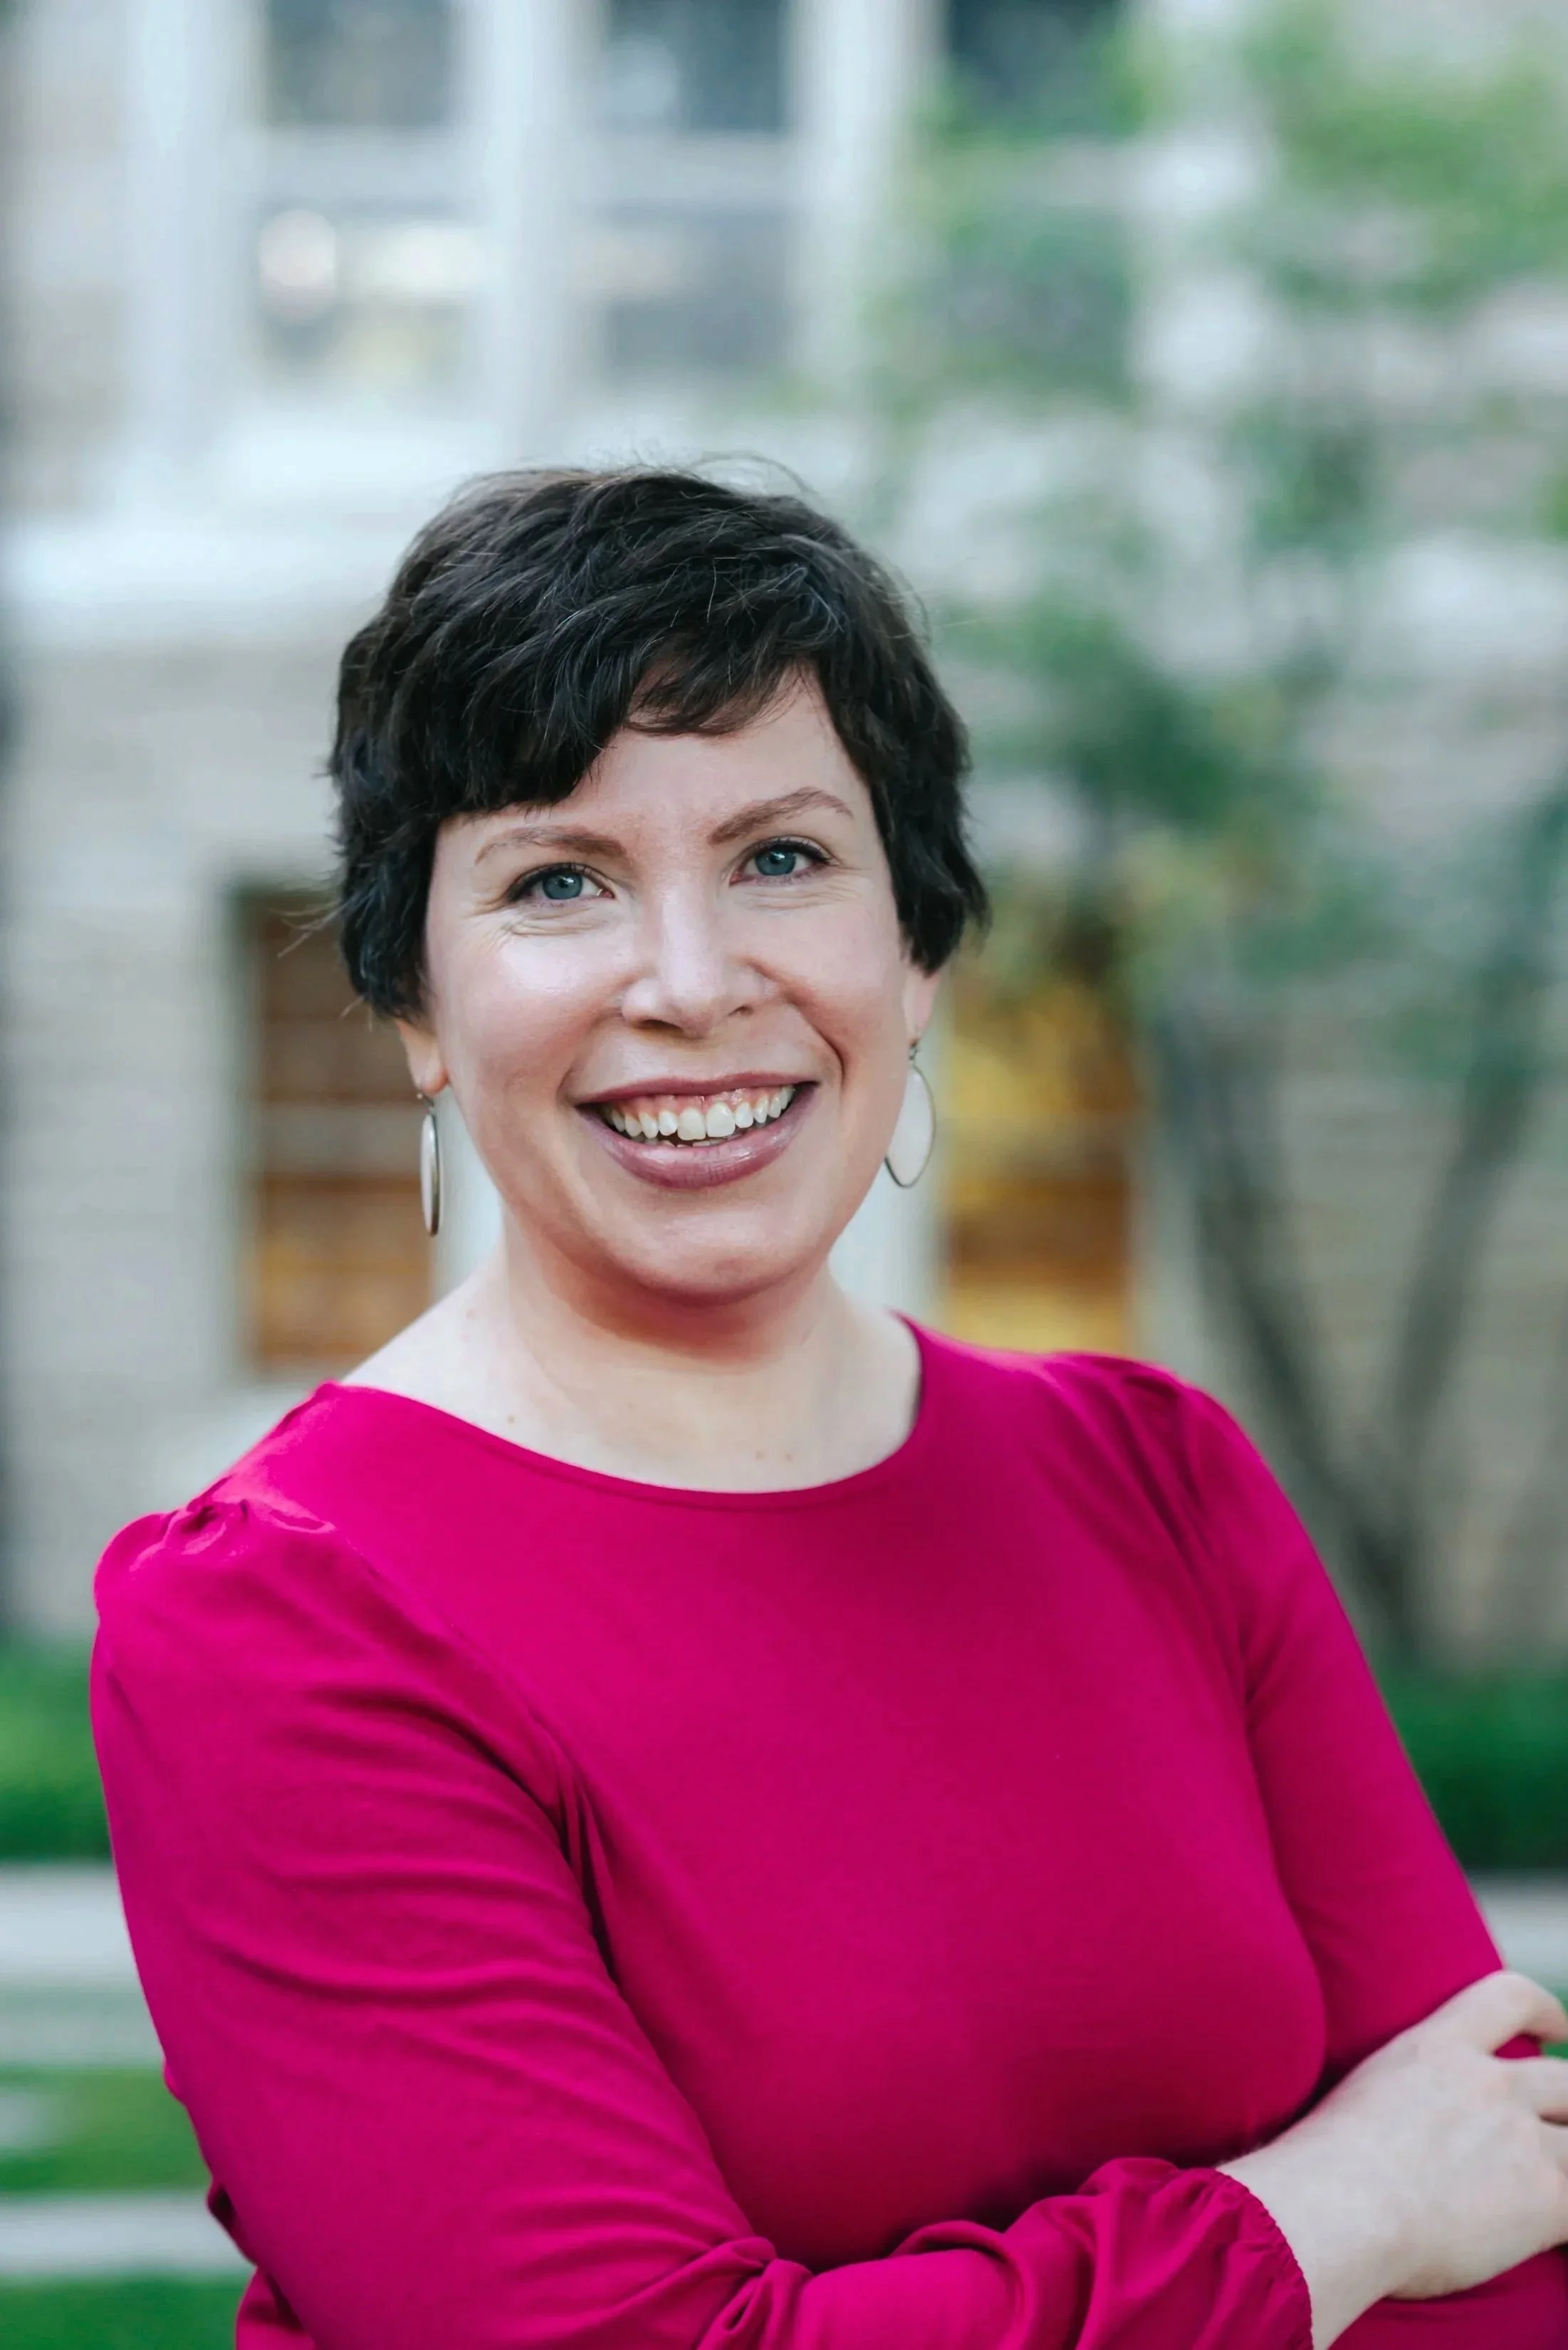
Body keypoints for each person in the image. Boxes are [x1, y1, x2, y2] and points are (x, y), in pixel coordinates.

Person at [93, 469, 1568, 2350]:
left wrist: (1399, 2213)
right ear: (417, 1005)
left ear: (919, 946)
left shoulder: (1158, 1479)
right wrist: (1308, 2224)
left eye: (783, 857)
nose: (696, 985)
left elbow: (1503, 2218)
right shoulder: (284, 1617)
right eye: (561, 880)